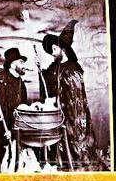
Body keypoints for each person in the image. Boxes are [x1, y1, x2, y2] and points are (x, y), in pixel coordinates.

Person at [41, 20, 100, 169]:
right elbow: (47, 82)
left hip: (75, 114)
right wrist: (40, 71)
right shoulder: (55, 67)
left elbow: (76, 93)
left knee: (77, 142)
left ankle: (81, 167)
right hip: (60, 114)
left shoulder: (73, 67)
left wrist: (63, 99)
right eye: (52, 50)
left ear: (63, 49)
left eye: (54, 49)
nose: (53, 53)